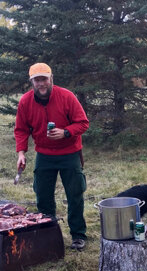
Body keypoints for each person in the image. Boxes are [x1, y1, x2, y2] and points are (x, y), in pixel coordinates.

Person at [15, 62, 90, 250]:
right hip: (44, 154)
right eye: (37, 80)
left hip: (69, 153)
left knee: (75, 195)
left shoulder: (66, 96)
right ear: (31, 81)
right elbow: (21, 130)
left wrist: (65, 132)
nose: (41, 84)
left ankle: (78, 235)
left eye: (44, 79)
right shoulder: (25, 101)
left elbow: (83, 123)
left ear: (51, 79)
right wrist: (21, 153)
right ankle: (48, 234)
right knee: (43, 196)